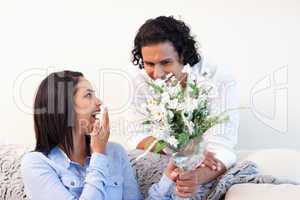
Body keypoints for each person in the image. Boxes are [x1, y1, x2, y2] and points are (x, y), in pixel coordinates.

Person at [128, 16, 239, 198]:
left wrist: (193, 177)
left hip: (207, 163)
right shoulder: (140, 81)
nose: (157, 73)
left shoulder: (218, 78)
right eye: (149, 64)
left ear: (184, 56)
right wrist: (183, 151)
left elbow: (222, 147)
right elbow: (135, 136)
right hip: (164, 160)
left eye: (166, 62)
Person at [21, 71, 142, 200]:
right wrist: (99, 155)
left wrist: (166, 182)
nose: (99, 102)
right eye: (88, 95)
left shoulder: (115, 152)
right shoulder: (36, 164)